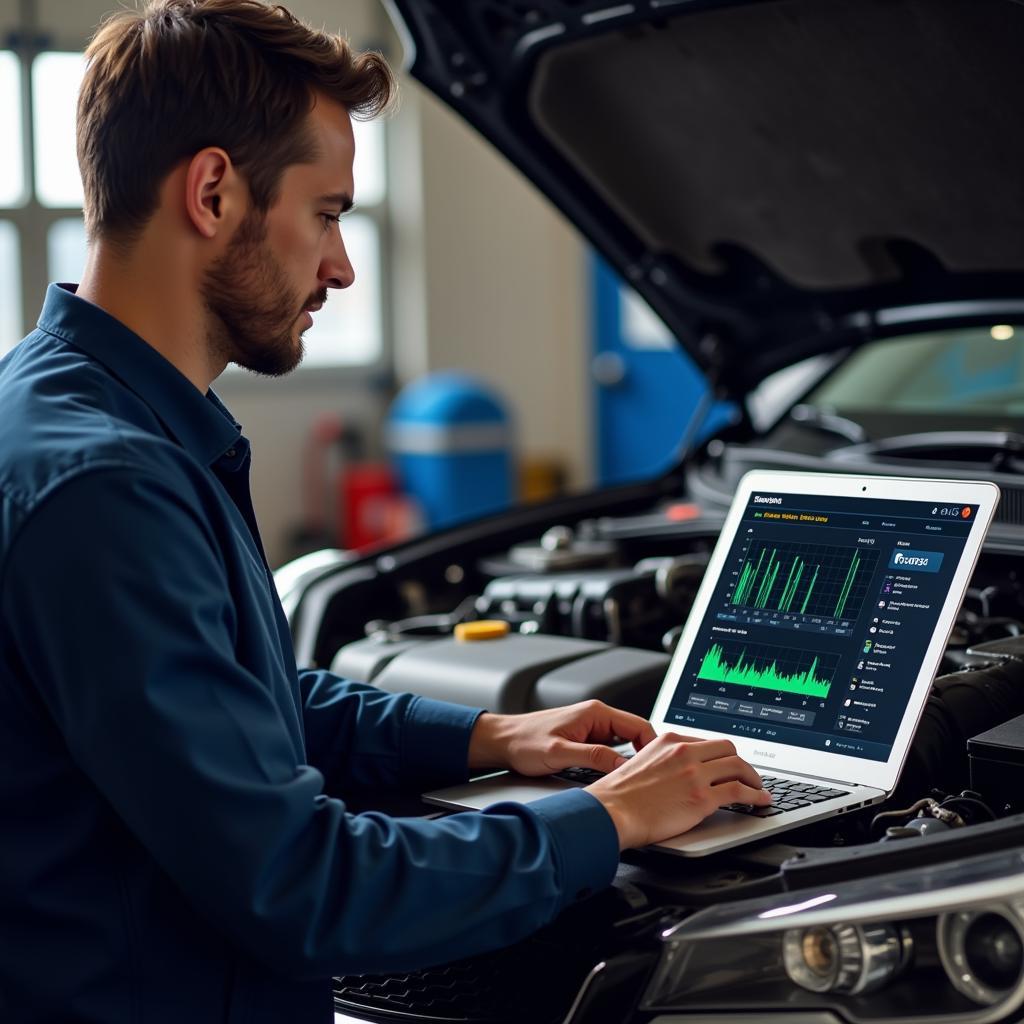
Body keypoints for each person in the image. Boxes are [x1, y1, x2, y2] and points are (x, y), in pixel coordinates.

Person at [0, 2, 770, 1021]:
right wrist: (604, 817)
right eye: (325, 215)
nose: (341, 267)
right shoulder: (107, 484)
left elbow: (235, 707)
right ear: (214, 191)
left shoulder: (66, 410)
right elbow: (304, 887)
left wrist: (487, 737)